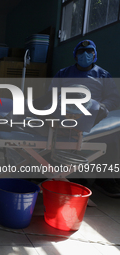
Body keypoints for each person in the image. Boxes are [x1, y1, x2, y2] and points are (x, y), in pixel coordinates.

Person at [49, 39, 120, 197]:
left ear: (95, 55)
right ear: (75, 56)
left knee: (113, 135)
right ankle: (71, 174)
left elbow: (113, 99)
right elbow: (51, 95)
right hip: (66, 113)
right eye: (81, 52)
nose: (86, 55)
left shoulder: (103, 75)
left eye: (90, 51)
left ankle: (104, 180)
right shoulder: (63, 73)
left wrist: (101, 107)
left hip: (94, 115)